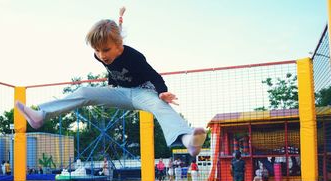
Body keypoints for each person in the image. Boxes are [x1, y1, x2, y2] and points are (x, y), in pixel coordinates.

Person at [15, 7, 206, 158]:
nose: (101, 55)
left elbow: (154, 76)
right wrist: (120, 17)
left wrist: (163, 92)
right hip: (120, 91)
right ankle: (41, 116)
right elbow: (115, 33)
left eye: (105, 50)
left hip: (143, 93)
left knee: (160, 106)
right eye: (97, 50)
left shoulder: (134, 57)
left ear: (119, 45)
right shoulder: (101, 53)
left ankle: (187, 139)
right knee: (84, 92)